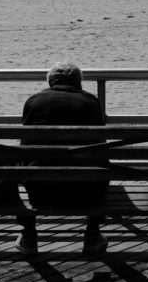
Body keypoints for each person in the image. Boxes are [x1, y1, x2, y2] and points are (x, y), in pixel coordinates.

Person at [15, 62, 108, 256]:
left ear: (50, 82)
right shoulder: (91, 102)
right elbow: (100, 146)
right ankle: (92, 235)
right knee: (100, 166)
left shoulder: (34, 102)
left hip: (41, 192)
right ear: (78, 82)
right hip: (85, 192)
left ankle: (29, 236)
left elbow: (25, 147)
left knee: (21, 164)